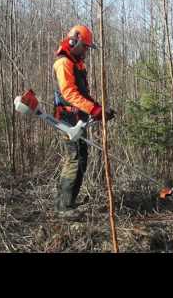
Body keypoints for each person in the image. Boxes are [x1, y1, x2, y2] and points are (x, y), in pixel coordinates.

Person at [53, 25, 115, 217]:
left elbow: (82, 94)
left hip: (78, 117)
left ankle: (68, 202)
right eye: (85, 46)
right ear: (75, 42)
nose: (87, 51)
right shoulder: (64, 63)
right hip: (68, 118)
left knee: (81, 158)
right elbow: (69, 93)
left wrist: (99, 109)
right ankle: (63, 208)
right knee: (74, 159)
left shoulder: (76, 62)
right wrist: (93, 109)